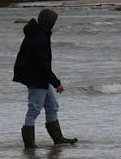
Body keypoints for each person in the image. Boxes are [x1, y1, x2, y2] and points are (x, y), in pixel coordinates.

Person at [12, 8, 77, 149]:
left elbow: (42, 64)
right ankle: (29, 144)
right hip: (35, 77)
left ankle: (58, 138)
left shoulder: (38, 32)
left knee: (52, 106)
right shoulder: (39, 38)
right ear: (49, 23)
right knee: (34, 110)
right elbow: (42, 65)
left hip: (40, 76)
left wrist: (51, 80)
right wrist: (56, 83)